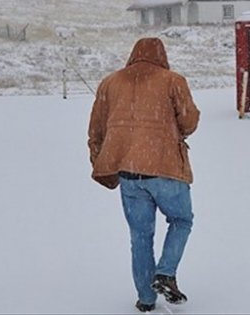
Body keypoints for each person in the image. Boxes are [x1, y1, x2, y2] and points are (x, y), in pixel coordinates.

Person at [88, 37, 201, 313]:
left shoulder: (110, 83)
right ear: (161, 55)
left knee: (140, 236)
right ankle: (165, 273)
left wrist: (100, 160)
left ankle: (146, 299)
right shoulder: (172, 80)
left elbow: (96, 131)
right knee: (181, 219)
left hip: (128, 172)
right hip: (165, 169)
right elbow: (189, 120)